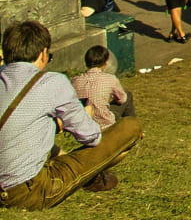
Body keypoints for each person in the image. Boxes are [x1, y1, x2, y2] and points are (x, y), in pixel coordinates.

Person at [0, 21, 142, 206]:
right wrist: (86, 115)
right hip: (27, 191)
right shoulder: (52, 82)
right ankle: (92, 177)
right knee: (130, 126)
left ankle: (92, 179)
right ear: (43, 53)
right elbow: (91, 137)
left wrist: (55, 124)